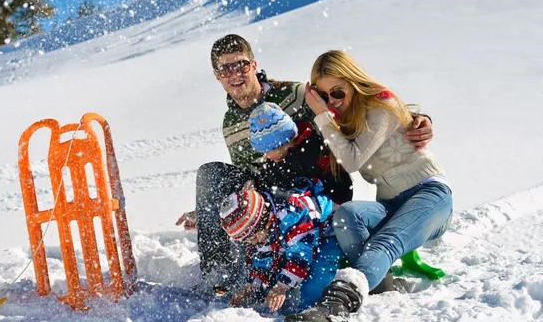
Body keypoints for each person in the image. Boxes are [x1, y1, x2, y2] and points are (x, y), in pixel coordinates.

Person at [175, 34, 435, 288]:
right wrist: (212, 209)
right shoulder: (231, 125)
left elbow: (349, 105)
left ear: (253, 65)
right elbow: (247, 174)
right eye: (225, 68)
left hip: (313, 188)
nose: (235, 73)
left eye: (240, 64)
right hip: (270, 190)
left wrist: (415, 118)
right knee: (211, 173)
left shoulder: (295, 94)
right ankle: (218, 274)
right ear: (217, 75)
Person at [284, 50, 453, 322]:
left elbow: (351, 160)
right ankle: (382, 285)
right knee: (347, 215)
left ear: (353, 82)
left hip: (430, 194)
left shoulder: (379, 103)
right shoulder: (344, 120)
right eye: (324, 96)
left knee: (385, 243)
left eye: (338, 92)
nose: (332, 102)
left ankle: (333, 307)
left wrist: (321, 115)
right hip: (391, 203)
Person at [219, 180, 341, 314]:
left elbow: (301, 255)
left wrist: (282, 286)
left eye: (252, 238)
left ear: (261, 223)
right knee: (273, 279)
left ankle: (311, 313)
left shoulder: (292, 216)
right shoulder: (266, 220)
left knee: (312, 285)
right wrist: (251, 287)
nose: (252, 243)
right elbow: (264, 255)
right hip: (299, 238)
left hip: (332, 230)